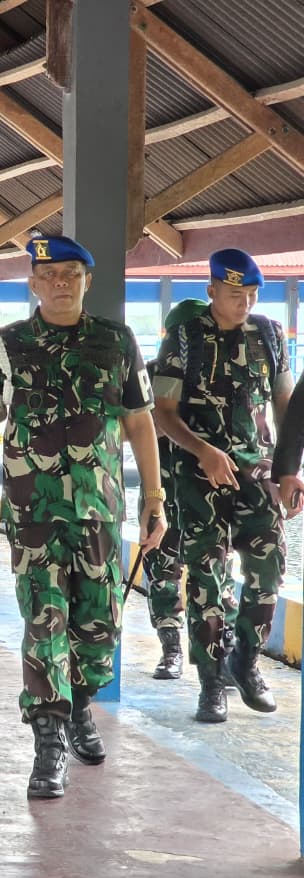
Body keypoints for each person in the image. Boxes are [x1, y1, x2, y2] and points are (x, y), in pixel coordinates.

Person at [0, 235, 166, 800]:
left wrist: (154, 497)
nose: (62, 282)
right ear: (33, 283)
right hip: (32, 513)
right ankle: (48, 741)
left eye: (72, 273)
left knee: (100, 626)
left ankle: (80, 706)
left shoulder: (116, 342)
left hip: (99, 511)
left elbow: (140, 422)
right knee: (44, 620)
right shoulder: (6, 345)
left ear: (87, 281)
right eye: (50, 275)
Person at [151, 249, 302, 723]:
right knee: (205, 581)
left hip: (256, 473)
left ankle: (246, 661)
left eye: (253, 294)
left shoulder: (270, 335)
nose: (245, 303)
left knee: (267, 570)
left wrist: (288, 470)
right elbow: (163, 413)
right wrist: (203, 451)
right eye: (236, 294)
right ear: (212, 290)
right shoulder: (184, 336)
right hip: (197, 475)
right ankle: (211, 682)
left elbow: (284, 404)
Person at [140, 358, 185, 680]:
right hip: (161, 491)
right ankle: (172, 651)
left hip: (204, 494)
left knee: (216, 577)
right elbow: (137, 427)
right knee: (161, 574)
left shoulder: (207, 378)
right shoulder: (151, 373)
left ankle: (218, 656)